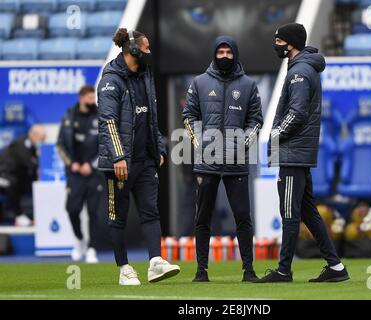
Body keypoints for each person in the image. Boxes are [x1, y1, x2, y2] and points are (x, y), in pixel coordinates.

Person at [257, 23, 349, 283]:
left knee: (289, 212)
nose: (275, 45)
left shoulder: (299, 72)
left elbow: (297, 113)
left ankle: (284, 270)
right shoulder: (302, 68)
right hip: (298, 151)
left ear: (290, 43)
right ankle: (336, 267)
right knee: (308, 211)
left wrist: (275, 135)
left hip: (293, 152)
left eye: (278, 40)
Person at [97, 28, 180, 286]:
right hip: (120, 162)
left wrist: (159, 147)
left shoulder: (145, 75)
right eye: (145, 48)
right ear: (131, 49)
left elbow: (151, 116)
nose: (149, 53)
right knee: (117, 217)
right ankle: (124, 269)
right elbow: (108, 121)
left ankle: (155, 262)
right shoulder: (111, 80)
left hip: (145, 160)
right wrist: (118, 157)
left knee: (151, 212)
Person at [182, 36, 263, 282]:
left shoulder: (249, 85)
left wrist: (243, 146)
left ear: (235, 54)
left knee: (243, 218)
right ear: (214, 54)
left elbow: (256, 121)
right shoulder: (199, 82)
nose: (225, 56)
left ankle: (248, 270)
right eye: (221, 52)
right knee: (202, 218)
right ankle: (201, 271)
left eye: (229, 52)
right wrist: (202, 147)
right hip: (207, 163)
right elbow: (188, 117)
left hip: (236, 163)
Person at [57, 84, 102, 264]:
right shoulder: (69, 116)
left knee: (94, 213)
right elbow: (60, 145)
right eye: (89, 99)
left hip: (94, 173)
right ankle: (80, 240)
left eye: (94, 99)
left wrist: (91, 165)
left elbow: (107, 144)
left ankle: (92, 248)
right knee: (72, 209)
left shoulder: (100, 116)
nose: (92, 102)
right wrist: (72, 164)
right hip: (75, 174)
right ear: (81, 98)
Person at [0, 125, 45, 227]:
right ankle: (18, 216)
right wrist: (39, 156)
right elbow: (29, 163)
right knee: (11, 183)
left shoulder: (33, 147)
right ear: (33, 135)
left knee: (33, 183)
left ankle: (37, 215)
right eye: (41, 139)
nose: (42, 142)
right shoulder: (20, 144)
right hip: (3, 175)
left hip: (16, 177)